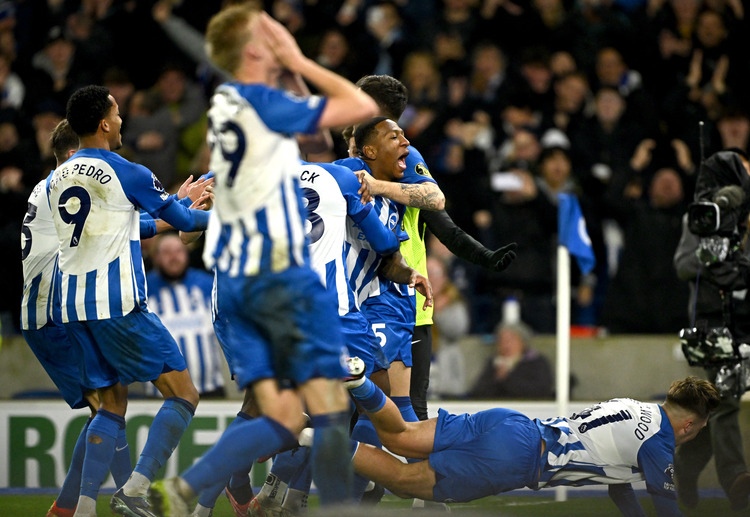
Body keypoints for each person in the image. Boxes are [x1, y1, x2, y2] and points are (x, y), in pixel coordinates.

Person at [147, 5, 378, 515]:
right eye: (268, 34)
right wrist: (298, 58)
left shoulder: (227, 102)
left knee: (280, 416)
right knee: (330, 408)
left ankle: (187, 489)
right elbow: (358, 103)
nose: (278, 36)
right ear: (254, 50)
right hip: (277, 276)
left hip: (232, 281)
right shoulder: (264, 103)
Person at [47, 85, 210, 517]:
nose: (122, 122)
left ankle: (83, 508)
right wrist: (221, 215)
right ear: (104, 123)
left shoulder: (56, 178)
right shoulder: (128, 170)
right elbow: (185, 222)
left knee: (112, 405)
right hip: (116, 304)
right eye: (117, 114)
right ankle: (135, 489)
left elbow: (115, 224)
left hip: (72, 308)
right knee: (184, 394)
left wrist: (172, 203)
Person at [342, 360, 720, 517]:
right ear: (689, 425)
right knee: (403, 482)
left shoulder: (635, 406)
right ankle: (318, 440)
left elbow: (618, 486)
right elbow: (667, 507)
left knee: (403, 437)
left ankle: (357, 381)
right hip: (517, 460)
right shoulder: (659, 443)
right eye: (700, 429)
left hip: (513, 424)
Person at [20, 119, 131, 517]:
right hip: (53, 315)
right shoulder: (62, 190)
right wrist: (179, 210)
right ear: (72, 156)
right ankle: (128, 497)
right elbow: (119, 231)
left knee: (105, 407)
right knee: (109, 406)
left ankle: (67, 508)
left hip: (52, 312)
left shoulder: (49, 188)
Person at [673, 149, 750, 511]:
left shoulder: (747, 218)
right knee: (727, 400)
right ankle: (736, 480)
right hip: (712, 322)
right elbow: (683, 265)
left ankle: (683, 470)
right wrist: (713, 250)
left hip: (744, 318)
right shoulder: (702, 217)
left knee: (717, 406)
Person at [143, 232, 226, 399]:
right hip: (161, 395)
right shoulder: (143, 289)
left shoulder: (207, 284)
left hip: (210, 390)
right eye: (166, 252)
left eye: (179, 251)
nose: (174, 257)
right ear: (156, 257)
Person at [468, 320, 553, 400]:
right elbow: (478, 392)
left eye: (511, 340)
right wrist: (497, 378)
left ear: (523, 342)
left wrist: (508, 377)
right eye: (502, 340)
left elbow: (540, 391)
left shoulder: (536, 362)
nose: (506, 345)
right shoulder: (494, 362)